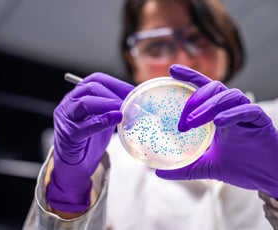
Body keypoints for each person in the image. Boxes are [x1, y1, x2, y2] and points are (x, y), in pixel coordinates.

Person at [23, 0, 278, 229]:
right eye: (157, 45)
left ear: (228, 50)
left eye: (199, 39)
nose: (182, 58)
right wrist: (68, 196)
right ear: (134, 61)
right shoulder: (105, 159)